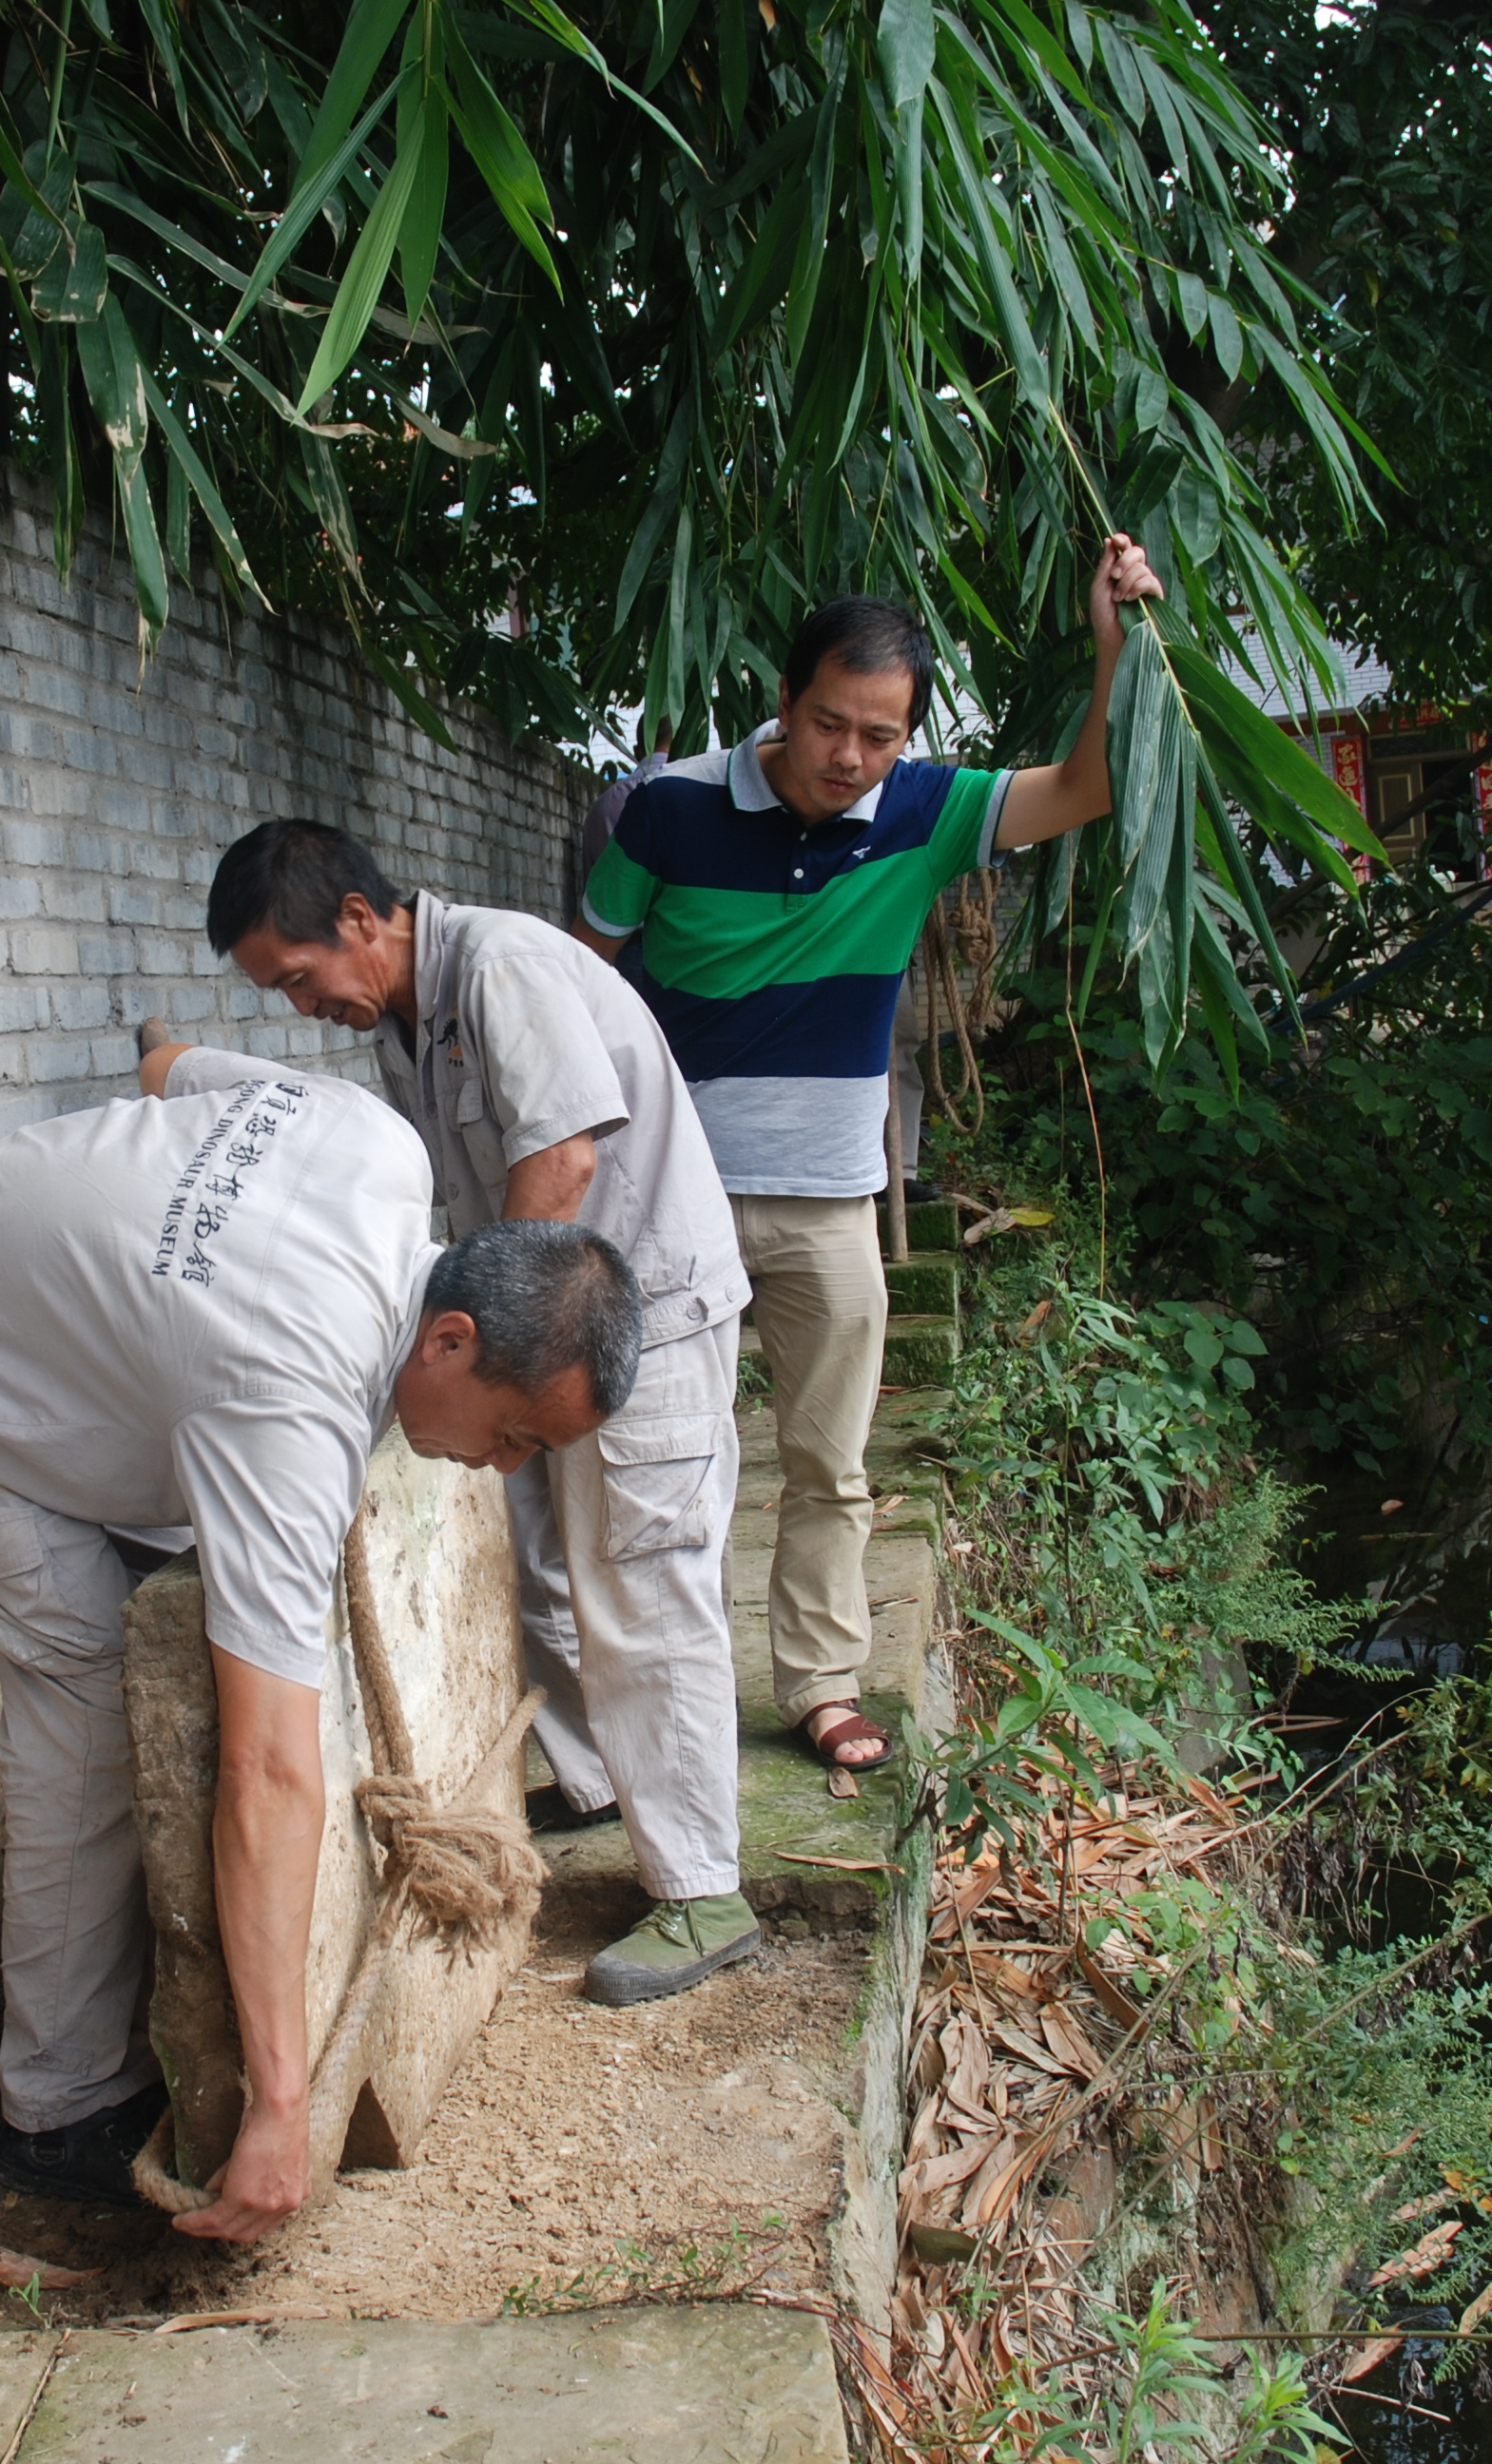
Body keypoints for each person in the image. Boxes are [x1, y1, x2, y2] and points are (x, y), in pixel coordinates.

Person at [0, 1078, 642, 2235]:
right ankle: (56, 2109)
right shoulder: (285, 1404)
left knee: (188, 1601)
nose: (501, 1468)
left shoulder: (377, 1140)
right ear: (447, 1337)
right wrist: (279, 2106)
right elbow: (268, 1775)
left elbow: (176, 1071)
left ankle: (118, 1996)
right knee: (91, 1681)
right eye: (512, 1435)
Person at [573, 540, 1163, 1776]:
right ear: (783, 703)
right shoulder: (665, 809)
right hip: (674, 1206)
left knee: (830, 1463)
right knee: (658, 1459)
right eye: (830, 723)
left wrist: (1114, 641)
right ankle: (637, 1703)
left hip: (834, 1211)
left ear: (907, 737)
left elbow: (1093, 785)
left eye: (880, 735)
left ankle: (820, 1683)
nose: (850, 757)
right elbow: (582, 981)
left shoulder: (925, 811)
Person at [159, 819, 758, 2009]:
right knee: (543, 1566)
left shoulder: (497, 967)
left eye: (296, 978)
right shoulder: (404, 1017)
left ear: (356, 922)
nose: (299, 1008)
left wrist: (487, 1353)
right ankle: (596, 1792)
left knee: (641, 1583)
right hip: (539, 1339)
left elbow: (563, 1164)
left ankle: (704, 1890)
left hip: (621, 1324)